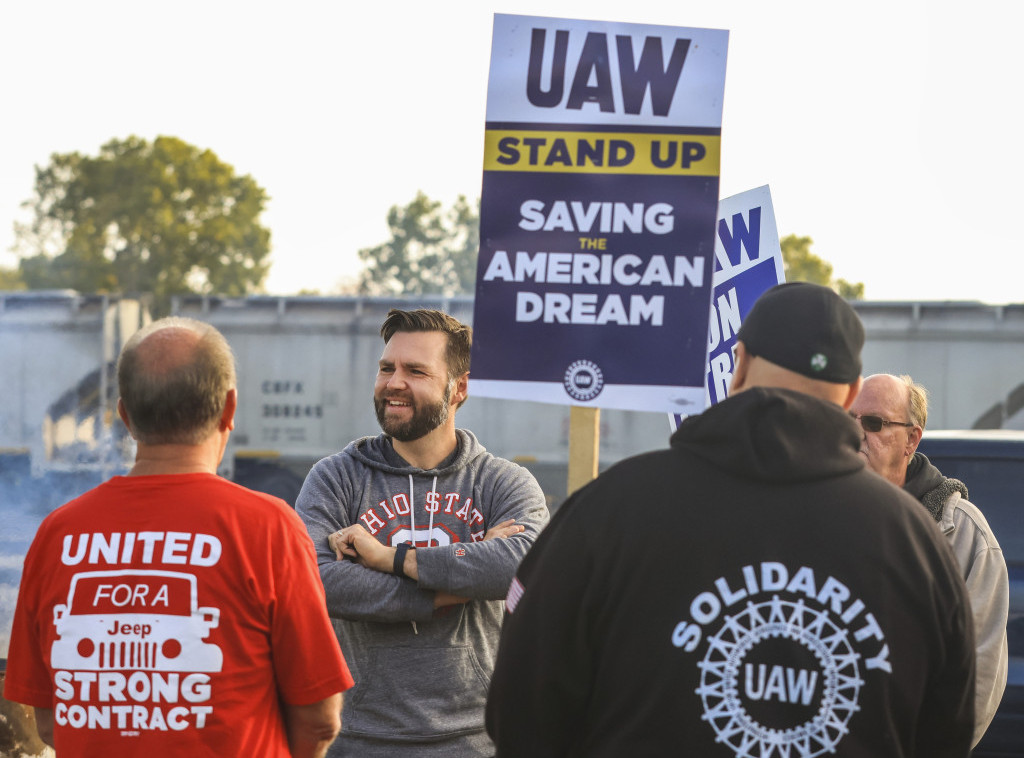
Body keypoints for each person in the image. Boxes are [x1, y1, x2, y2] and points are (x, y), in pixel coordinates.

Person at [486, 282, 976, 757]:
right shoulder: (917, 544)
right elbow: (946, 733)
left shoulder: (607, 510)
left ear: (738, 366)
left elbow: (519, 712)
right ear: (850, 394)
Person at [3, 317, 354, 757]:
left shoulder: (57, 535)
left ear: (125, 416)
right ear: (229, 408)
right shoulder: (268, 529)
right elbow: (319, 719)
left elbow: (50, 721)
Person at [296, 308, 549, 757]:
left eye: (415, 371)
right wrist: (451, 585)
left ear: (460, 388)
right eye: (386, 368)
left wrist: (389, 558)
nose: (394, 382)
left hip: (474, 741)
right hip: (357, 741)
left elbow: (524, 564)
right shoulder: (336, 478)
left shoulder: (502, 482)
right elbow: (316, 583)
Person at [850, 372, 1008, 745]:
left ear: (911, 440)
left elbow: (978, 677)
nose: (856, 434)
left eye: (874, 423)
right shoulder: (815, 515)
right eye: (846, 419)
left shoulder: (964, 534)